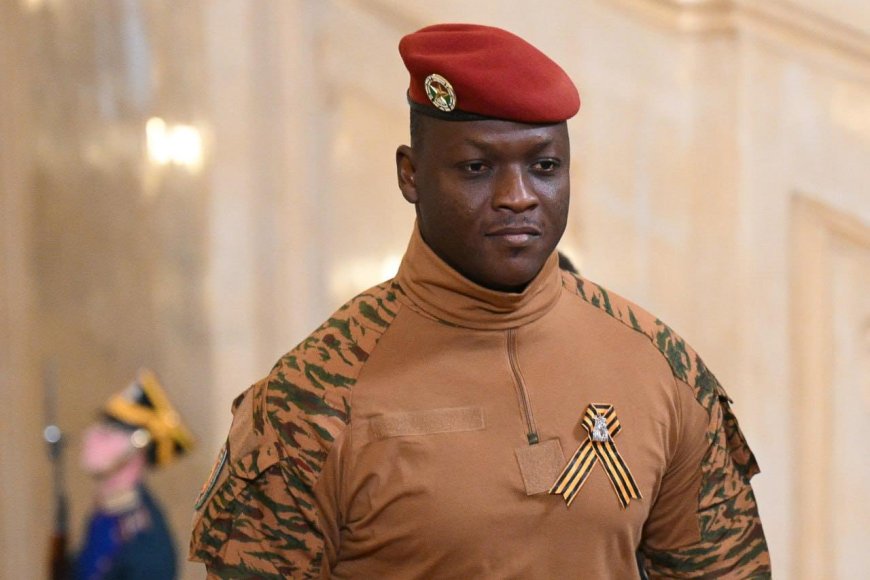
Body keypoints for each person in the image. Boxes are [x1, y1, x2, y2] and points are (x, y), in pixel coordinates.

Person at [189, 23, 770, 578]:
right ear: (411, 175)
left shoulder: (659, 365)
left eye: (544, 166)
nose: (518, 197)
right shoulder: (310, 398)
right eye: (477, 168)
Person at [76, 369, 194, 580]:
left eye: (107, 433)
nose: (90, 436)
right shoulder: (108, 511)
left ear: (136, 448)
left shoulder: (146, 540)